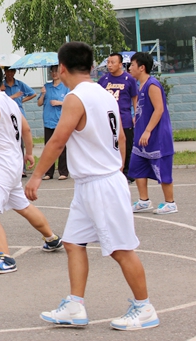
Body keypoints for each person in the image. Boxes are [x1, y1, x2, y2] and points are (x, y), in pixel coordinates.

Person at [25, 42, 158, 331]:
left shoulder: (76, 98)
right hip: (92, 182)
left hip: (101, 184)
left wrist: (36, 176)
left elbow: (57, 140)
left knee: (121, 248)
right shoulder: (104, 93)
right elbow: (121, 138)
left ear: (62, 67)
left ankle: (144, 308)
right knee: (73, 242)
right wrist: (117, 168)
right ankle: (75, 306)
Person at [0, 62, 62, 275]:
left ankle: (5, 258)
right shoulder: (9, 101)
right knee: (23, 206)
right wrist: (28, 152)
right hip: (13, 163)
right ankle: (51, 238)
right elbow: (26, 128)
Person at [128, 52, 176, 214]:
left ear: (142, 67)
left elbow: (159, 109)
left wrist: (148, 130)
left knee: (162, 169)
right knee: (137, 166)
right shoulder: (140, 85)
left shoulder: (152, 84)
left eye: (132, 65)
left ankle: (170, 203)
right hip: (141, 136)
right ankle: (144, 201)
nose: (130, 68)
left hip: (157, 136)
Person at [98, 52, 138, 181]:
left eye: (113, 62)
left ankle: (127, 173)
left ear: (120, 64)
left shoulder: (129, 79)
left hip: (124, 118)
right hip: (107, 119)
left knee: (126, 146)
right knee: (109, 146)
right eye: (108, 62)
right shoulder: (103, 80)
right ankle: (111, 172)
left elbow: (135, 98)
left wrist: (136, 115)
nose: (109, 65)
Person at [37, 65, 70, 180]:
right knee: (48, 148)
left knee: (61, 147)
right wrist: (42, 94)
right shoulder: (46, 87)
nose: (54, 73)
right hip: (48, 121)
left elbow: (70, 103)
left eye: (56, 71)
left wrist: (59, 103)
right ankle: (48, 172)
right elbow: (39, 103)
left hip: (60, 121)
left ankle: (63, 172)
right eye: (52, 71)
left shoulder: (65, 87)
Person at [3, 68, 36, 177]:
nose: (10, 74)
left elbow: (33, 93)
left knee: (20, 142)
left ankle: (22, 169)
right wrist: (14, 96)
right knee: (9, 142)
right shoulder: (2, 86)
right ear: (5, 72)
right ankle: (10, 168)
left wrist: (21, 100)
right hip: (7, 115)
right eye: (8, 71)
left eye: (12, 71)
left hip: (19, 114)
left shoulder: (19, 84)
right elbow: (1, 100)